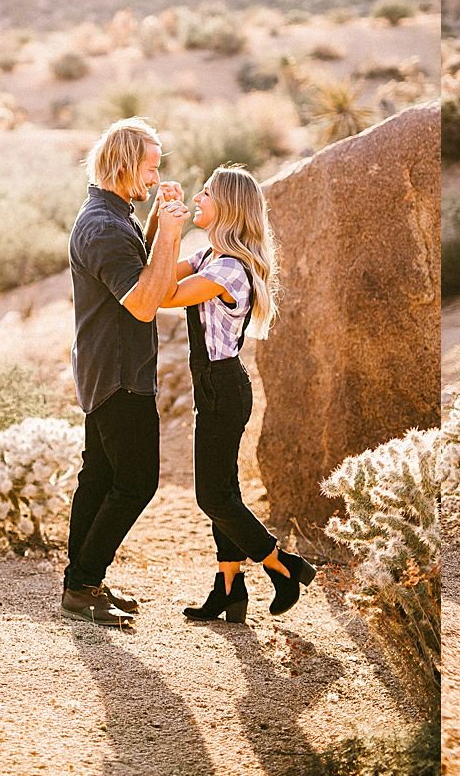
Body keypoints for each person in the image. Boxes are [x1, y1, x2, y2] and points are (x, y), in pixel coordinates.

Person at [166, 165, 316, 622]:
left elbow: (165, 295)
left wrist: (169, 230)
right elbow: (161, 274)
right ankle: (229, 588)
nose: (197, 198)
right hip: (213, 387)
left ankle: (282, 565)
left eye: (206, 193)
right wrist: (163, 223)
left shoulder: (230, 269)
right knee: (224, 491)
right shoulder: (210, 257)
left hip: (224, 388)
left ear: (227, 206)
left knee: (213, 497)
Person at [60, 118, 189, 626]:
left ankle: (82, 583)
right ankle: (84, 581)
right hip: (118, 372)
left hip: (106, 366)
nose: (156, 178)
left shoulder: (111, 216)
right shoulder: (104, 227)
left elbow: (135, 270)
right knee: (135, 481)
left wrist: (157, 222)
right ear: (123, 164)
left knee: (100, 476)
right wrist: (172, 235)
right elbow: (141, 303)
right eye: (151, 168)